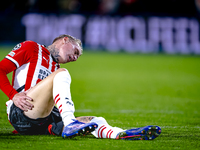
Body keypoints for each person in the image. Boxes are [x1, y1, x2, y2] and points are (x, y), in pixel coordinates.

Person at [0, 34, 161, 140]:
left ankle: (121, 133)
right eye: (76, 52)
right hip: (21, 112)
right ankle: (70, 122)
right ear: (65, 40)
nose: (75, 58)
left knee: (96, 120)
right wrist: (13, 95)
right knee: (63, 73)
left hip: (42, 120)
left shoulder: (54, 68)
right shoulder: (31, 48)